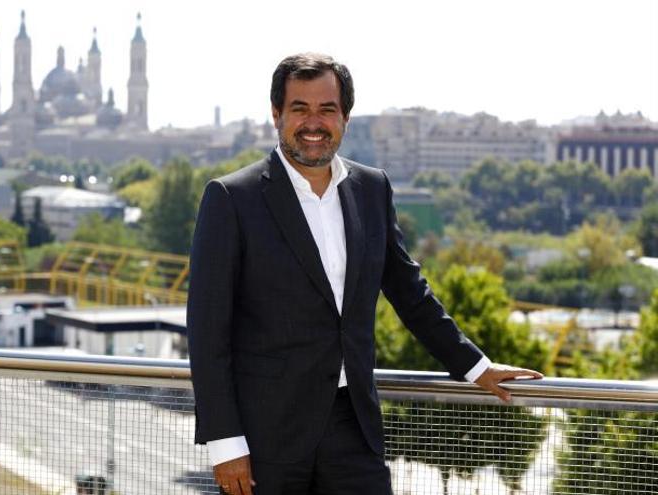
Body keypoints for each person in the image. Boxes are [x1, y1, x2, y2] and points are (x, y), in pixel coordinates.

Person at [186, 53, 542, 495]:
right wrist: (225, 441)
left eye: (327, 110)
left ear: (345, 118)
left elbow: (409, 291)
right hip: (264, 437)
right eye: (300, 109)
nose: (313, 123)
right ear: (276, 114)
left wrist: (475, 366)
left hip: (352, 426)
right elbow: (207, 331)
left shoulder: (372, 188)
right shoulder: (231, 198)